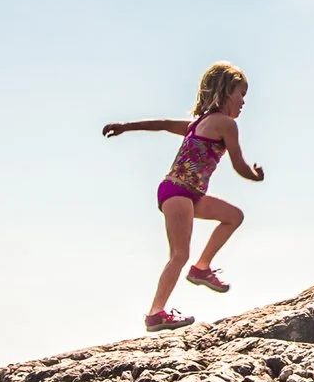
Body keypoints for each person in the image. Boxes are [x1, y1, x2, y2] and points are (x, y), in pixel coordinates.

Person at [101, 61, 266, 331]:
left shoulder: (199, 122)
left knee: (234, 216)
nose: (244, 102)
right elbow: (238, 163)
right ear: (226, 93)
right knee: (179, 254)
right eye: (241, 94)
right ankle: (156, 313)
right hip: (179, 192)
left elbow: (164, 124)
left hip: (188, 193)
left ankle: (201, 268)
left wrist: (125, 126)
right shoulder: (225, 124)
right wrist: (254, 176)